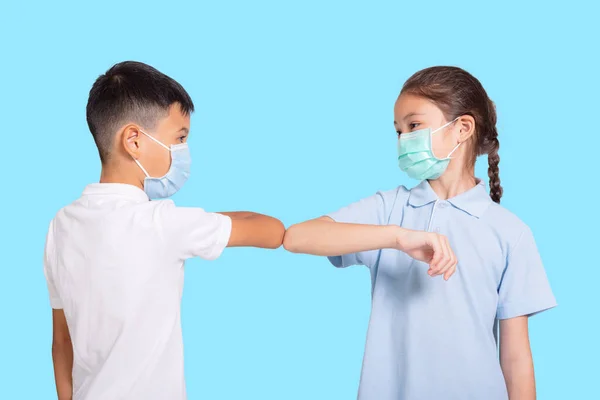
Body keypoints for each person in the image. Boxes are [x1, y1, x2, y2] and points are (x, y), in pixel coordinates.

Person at [283, 66, 556, 400]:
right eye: (397, 130)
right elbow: (296, 237)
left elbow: (515, 360)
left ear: (462, 128)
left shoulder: (511, 233)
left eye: (413, 126)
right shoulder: (389, 209)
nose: (402, 140)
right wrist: (398, 237)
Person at [43, 61, 285, 400]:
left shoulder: (61, 225)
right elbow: (272, 232)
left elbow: (61, 341)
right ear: (134, 141)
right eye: (180, 138)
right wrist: (202, 219)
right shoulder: (166, 223)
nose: (183, 152)